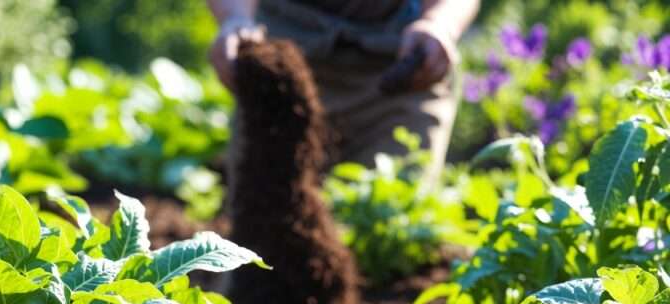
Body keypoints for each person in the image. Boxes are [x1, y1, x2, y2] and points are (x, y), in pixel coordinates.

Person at [206, 0, 480, 180]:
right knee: (265, 239)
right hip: (284, 74)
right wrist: (236, 18)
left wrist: (438, 23)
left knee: (392, 235)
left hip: (398, 73)